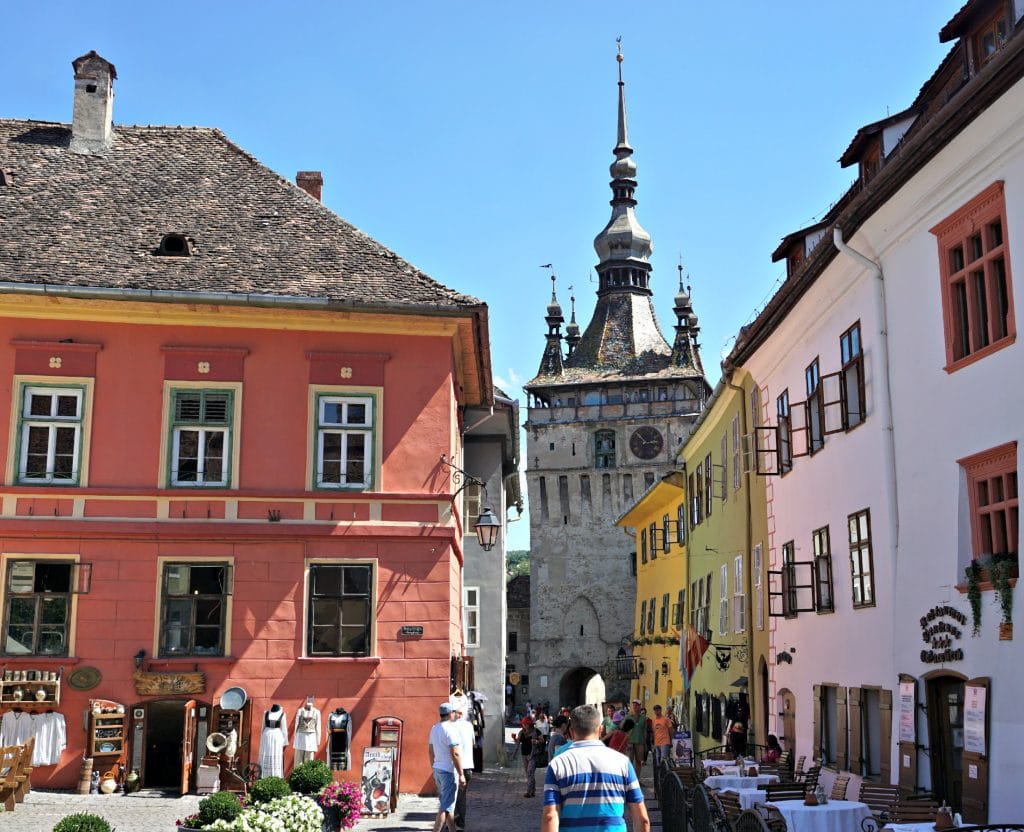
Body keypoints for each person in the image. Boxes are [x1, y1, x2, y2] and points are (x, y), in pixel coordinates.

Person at [541, 704, 650, 832]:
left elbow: (550, 816)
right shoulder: (623, 763)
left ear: (571, 732)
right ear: (600, 730)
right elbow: (642, 818)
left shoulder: (557, 764)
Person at [428, 703, 465, 832]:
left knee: (448, 804)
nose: (455, 714)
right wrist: (461, 774)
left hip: (437, 769)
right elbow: (455, 753)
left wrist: (433, 766)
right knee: (444, 807)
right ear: (450, 713)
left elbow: (430, 751)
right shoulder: (450, 729)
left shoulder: (434, 728)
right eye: (454, 712)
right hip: (448, 771)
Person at [450, 703, 475, 832]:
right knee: (462, 797)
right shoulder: (469, 726)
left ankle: (454, 824)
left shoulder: (452, 726)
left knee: (452, 796)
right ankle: (459, 824)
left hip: (455, 765)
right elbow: (473, 743)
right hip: (468, 766)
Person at [517, 717, 541, 797]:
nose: (524, 725)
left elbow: (542, 740)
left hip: (532, 754)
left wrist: (536, 741)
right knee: (528, 773)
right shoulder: (521, 732)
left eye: (525, 724)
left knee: (530, 772)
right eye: (523, 724)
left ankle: (529, 791)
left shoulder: (536, 731)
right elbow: (518, 741)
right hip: (524, 755)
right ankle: (533, 790)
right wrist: (515, 739)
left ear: (529, 724)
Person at [625, 699, 647, 779]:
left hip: (640, 742)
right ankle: (629, 779)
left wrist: (645, 744)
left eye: (637, 705)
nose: (635, 707)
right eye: (633, 705)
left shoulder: (644, 718)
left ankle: (637, 779)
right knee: (629, 762)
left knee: (638, 761)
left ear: (640, 707)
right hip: (630, 742)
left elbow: (645, 731)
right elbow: (624, 730)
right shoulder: (628, 717)